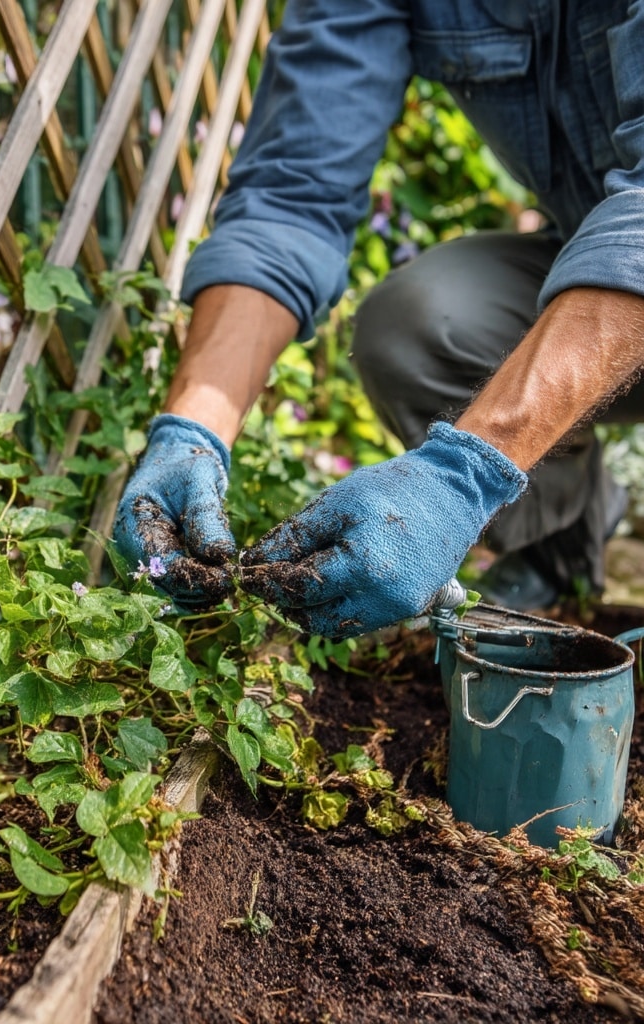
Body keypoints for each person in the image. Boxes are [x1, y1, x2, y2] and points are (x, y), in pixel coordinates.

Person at [114, 0, 644, 639]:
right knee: (418, 325)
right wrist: (193, 427)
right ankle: (559, 534)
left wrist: (467, 472)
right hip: (602, 281)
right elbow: (291, 194)